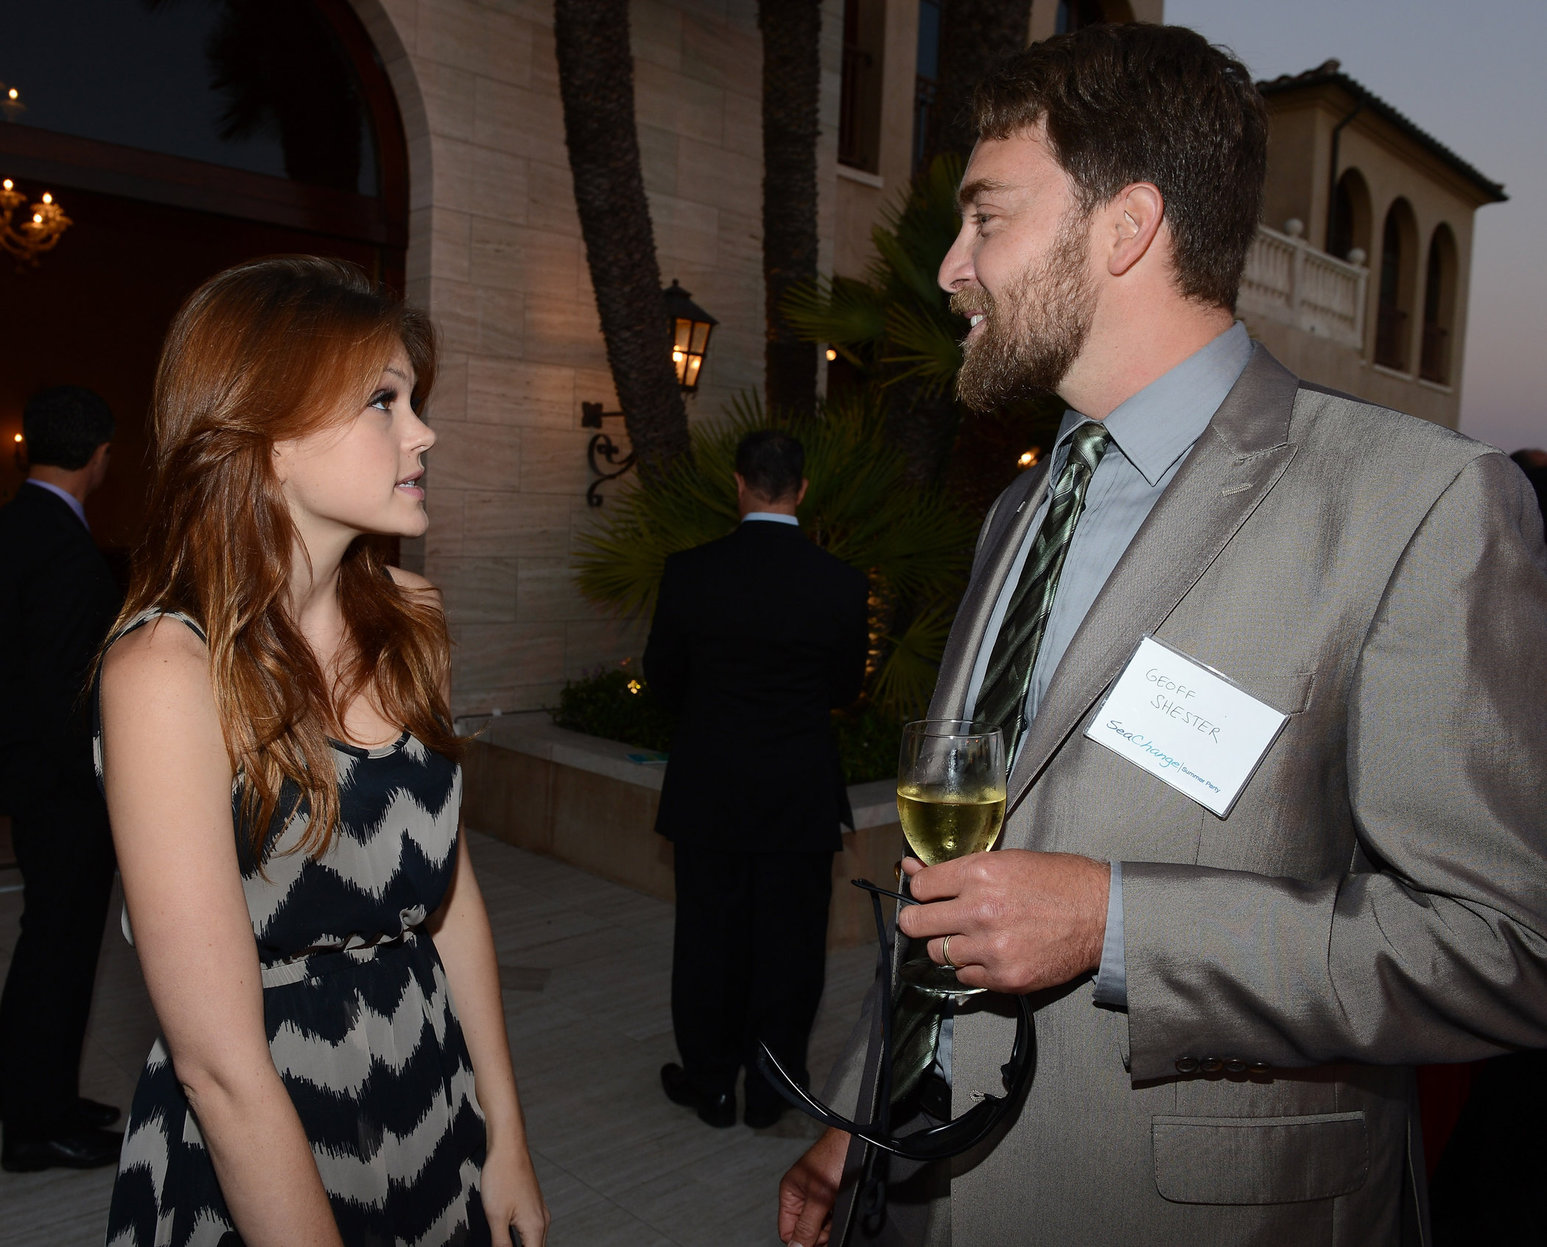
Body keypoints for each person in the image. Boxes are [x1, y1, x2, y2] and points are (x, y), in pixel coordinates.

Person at [779, 23, 1547, 1247]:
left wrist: (1116, 924)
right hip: (929, 1186)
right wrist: (864, 1111)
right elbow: (960, 864)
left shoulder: (1417, 505)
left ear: (1124, 226)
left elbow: (1502, 948)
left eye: (985, 218)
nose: (950, 269)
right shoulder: (1021, 510)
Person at [96, 257, 548, 1246]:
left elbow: (450, 896)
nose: (422, 431)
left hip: (428, 1091)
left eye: (414, 399)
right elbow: (220, 1069)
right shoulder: (168, 672)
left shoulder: (412, 618)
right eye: (384, 400)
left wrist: (504, 1133)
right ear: (266, 439)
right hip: (262, 1138)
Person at [644, 430, 868, 1129]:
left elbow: (662, 680)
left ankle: (711, 1084)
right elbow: (845, 688)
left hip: (709, 789)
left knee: (707, 940)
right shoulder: (840, 580)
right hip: (798, 794)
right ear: (802, 490)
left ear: (739, 484)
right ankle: (773, 1091)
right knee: (791, 947)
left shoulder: (689, 571)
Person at [0, 386, 123, 1172]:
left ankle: (37, 1093)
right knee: (61, 950)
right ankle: (38, 1124)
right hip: (65, 787)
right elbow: (64, 695)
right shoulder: (69, 553)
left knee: (46, 941)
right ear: (99, 455)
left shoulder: (16, 526)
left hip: (29, 777)